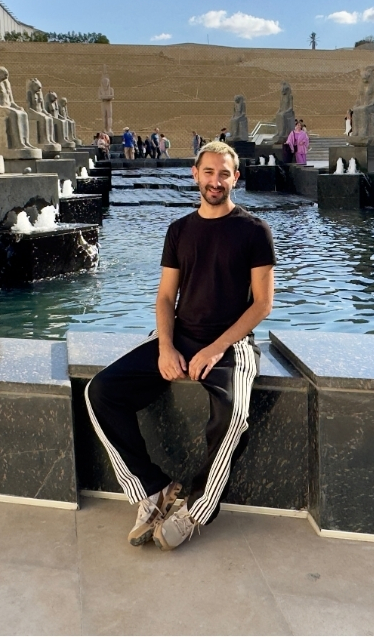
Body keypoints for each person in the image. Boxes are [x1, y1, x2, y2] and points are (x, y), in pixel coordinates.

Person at [85, 141, 275, 552]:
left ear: (235, 178)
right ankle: (152, 490)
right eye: (209, 172)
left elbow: (262, 304)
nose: (216, 181)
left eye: (224, 174)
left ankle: (195, 509)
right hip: (180, 336)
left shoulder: (255, 231)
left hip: (232, 344)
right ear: (195, 174)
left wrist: (215, 349)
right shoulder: (179, 230)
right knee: (100, 391)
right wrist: (166, 348)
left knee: (234, 416)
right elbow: (164, 298)